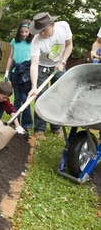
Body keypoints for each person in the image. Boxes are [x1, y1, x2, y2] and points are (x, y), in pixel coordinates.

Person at [28, 12, 73, 141]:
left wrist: (63, 61)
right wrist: (33, 86)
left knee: (58, 96)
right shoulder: (36, 40)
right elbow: (34, 64)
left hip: (59, 65)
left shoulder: (64, 27)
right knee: (41, 97)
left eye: (44, 30)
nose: (41, 34)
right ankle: (40, 129)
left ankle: (55, 127)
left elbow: (69, 45)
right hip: (42, 67)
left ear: (52, 25)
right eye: (39, 31)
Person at [4, 19, 33, 132]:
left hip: (26, 72)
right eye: (22, 31)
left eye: (26, 31)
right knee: (17, 99)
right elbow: (11, 57)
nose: (24, 34)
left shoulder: (33, 42)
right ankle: (16, 121)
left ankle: (27, 123)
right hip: (15, 72)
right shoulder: (14, 41)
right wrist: (7, 72)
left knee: (25, 98)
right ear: (19, 31)